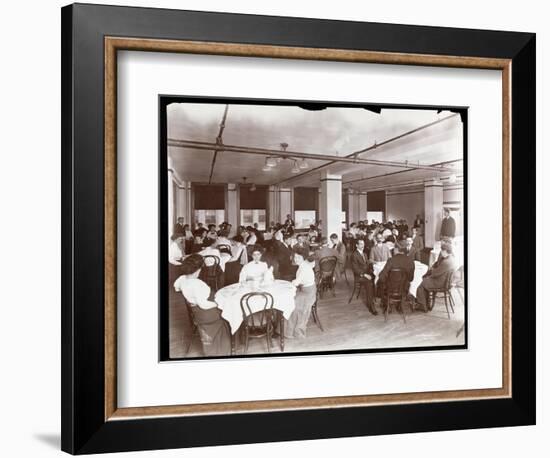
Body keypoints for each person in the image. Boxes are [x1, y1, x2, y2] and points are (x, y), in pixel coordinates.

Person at [173, 254, 231, 356]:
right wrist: (217, 304)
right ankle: (221, 351)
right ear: (198, 269)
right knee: (228, 313)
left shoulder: (182, 279)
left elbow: (176, 288)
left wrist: (189, 297)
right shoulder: (197, 284)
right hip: (205, 314)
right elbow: (203, 305)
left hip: (196, 311)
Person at [285, 247, 317, 339]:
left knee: (292, 305)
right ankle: (289, 329)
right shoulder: (303, 265)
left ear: (303, 258)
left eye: (298, 257)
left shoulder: (304, 268)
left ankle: (293, 331)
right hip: (305, 290)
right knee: (290, 301)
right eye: (295, 257)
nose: (296, 259)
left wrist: (290, 283)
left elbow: (296, 282)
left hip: (309, 293)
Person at [415, 242, 457, 311]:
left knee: (421, 283)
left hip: (440, 282)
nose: (441, 252)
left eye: (442, 251)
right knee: (425, 280)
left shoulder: (446, 262)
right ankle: (426, 304)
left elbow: (435, 273)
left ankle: (422, 306)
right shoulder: (451, 259)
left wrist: (432, 270)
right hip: (445, 281)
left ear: (446, 251)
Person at [378, 243, 415, 308]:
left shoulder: (391, 260)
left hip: (391, 288)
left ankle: (387, 304)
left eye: (394, 249)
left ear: (397, 250)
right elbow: (411, 278)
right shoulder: (411, 261)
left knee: (380, 282)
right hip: (404, 288)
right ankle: (400, 304)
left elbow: (381, 276)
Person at [350, 239, 376, 314]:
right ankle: (371, 306)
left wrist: (372, 264)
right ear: (357, 245)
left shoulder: (364, 254)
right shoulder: (354, 255)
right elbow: (355, 269)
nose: (363, 246)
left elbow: (366, 264)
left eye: (363, 244)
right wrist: (365, 275)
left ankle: (373, 298)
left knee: (378, 278)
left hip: (366, 273)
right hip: (360, 276)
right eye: (361, 244)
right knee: (369, 283)